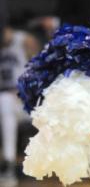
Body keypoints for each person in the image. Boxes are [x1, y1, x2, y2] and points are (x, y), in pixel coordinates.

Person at [0, 26, 40, 186]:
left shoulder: (22, 39)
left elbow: (38, 67)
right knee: (4, 101)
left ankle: (9, 164)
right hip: (5, 103)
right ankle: (9, 163)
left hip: (26, 102)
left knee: (5, 102)